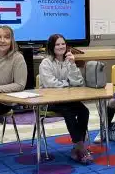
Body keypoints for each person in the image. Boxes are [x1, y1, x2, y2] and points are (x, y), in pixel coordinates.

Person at [39, 34, 92, 164]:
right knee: (68, 112)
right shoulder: (46, 63)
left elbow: (78, 82)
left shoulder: (69, 61)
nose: (61, 46)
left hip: (68, 99)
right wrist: (67, 84)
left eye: (63, 44)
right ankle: (81, 148)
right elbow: (50, 84)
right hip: (50, 101)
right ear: (52, 47)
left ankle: (77, 147)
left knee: (84, 111)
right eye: (57, 44)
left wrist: (73, 64)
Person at [0, 25, 27, 116]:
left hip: (2, 101)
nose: (2, 40)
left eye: (7, 37)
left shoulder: (17, 58)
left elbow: (20, 85)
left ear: (12, 40)